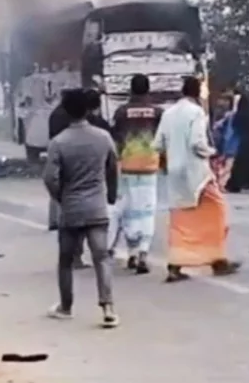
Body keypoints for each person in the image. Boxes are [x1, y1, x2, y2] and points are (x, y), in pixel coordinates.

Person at [43, 89, 119, 328]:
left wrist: (61, 197)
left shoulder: (59, 142)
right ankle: (108, 308)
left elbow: (50, 178)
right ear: (87, 109)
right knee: (101, 258)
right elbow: (112, 168)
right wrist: (110, 195)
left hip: (71, 208)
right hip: (97, 207)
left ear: (66, 111)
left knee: (65, 260)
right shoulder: (103, 137)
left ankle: (66, 307)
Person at [153, 77, 240, 282]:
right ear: (198, 92)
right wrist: (212, 152)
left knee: (181, 218)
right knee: (217, 211)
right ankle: (217, 259)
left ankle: (176, 264)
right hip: (196, 172)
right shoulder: (196, 112)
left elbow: (157, 144)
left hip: (175, 173)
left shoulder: (168, 113)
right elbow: (197, 143)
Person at [108, 75, 163, 274]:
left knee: (130, 210)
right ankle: (143, 253)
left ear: (131, 89)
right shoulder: (158, 112)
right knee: (147, 210)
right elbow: (162, 140)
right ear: (148, 89)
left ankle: (131, 253)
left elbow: (115, 140)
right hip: (150, 167)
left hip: (127, 166)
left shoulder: (121, 112)